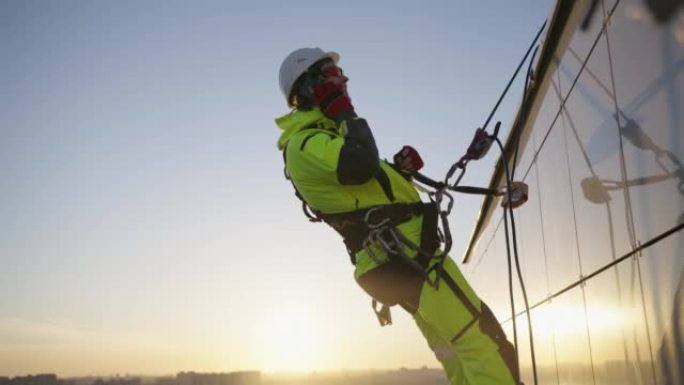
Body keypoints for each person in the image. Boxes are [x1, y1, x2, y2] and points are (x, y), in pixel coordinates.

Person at [275, 47, 520, 385]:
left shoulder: (322, 139)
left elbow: (363, 189)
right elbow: (360, 164)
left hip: (400, 258)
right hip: (408, 255)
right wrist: (346, 113)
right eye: (332, 75)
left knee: (457, 348)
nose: (343, 80)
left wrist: (399, 172)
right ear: (308, 87)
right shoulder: (305, 144)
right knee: (484, 340)